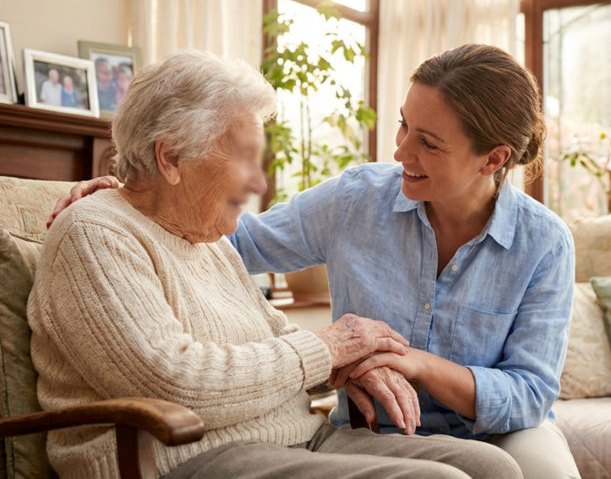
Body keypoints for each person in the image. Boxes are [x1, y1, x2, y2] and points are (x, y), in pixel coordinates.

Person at [50, 44, 580, 478]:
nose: (399, 152)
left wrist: (409, 364)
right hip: (346, 428)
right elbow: (227, 243)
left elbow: (530, 392)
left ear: (494, 158)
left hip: (494, 425)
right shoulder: (355, 198)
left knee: (504, 469)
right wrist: (131, 193)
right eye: (403, 126)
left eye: (429, 143)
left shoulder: (544, 243)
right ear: (171, 157)